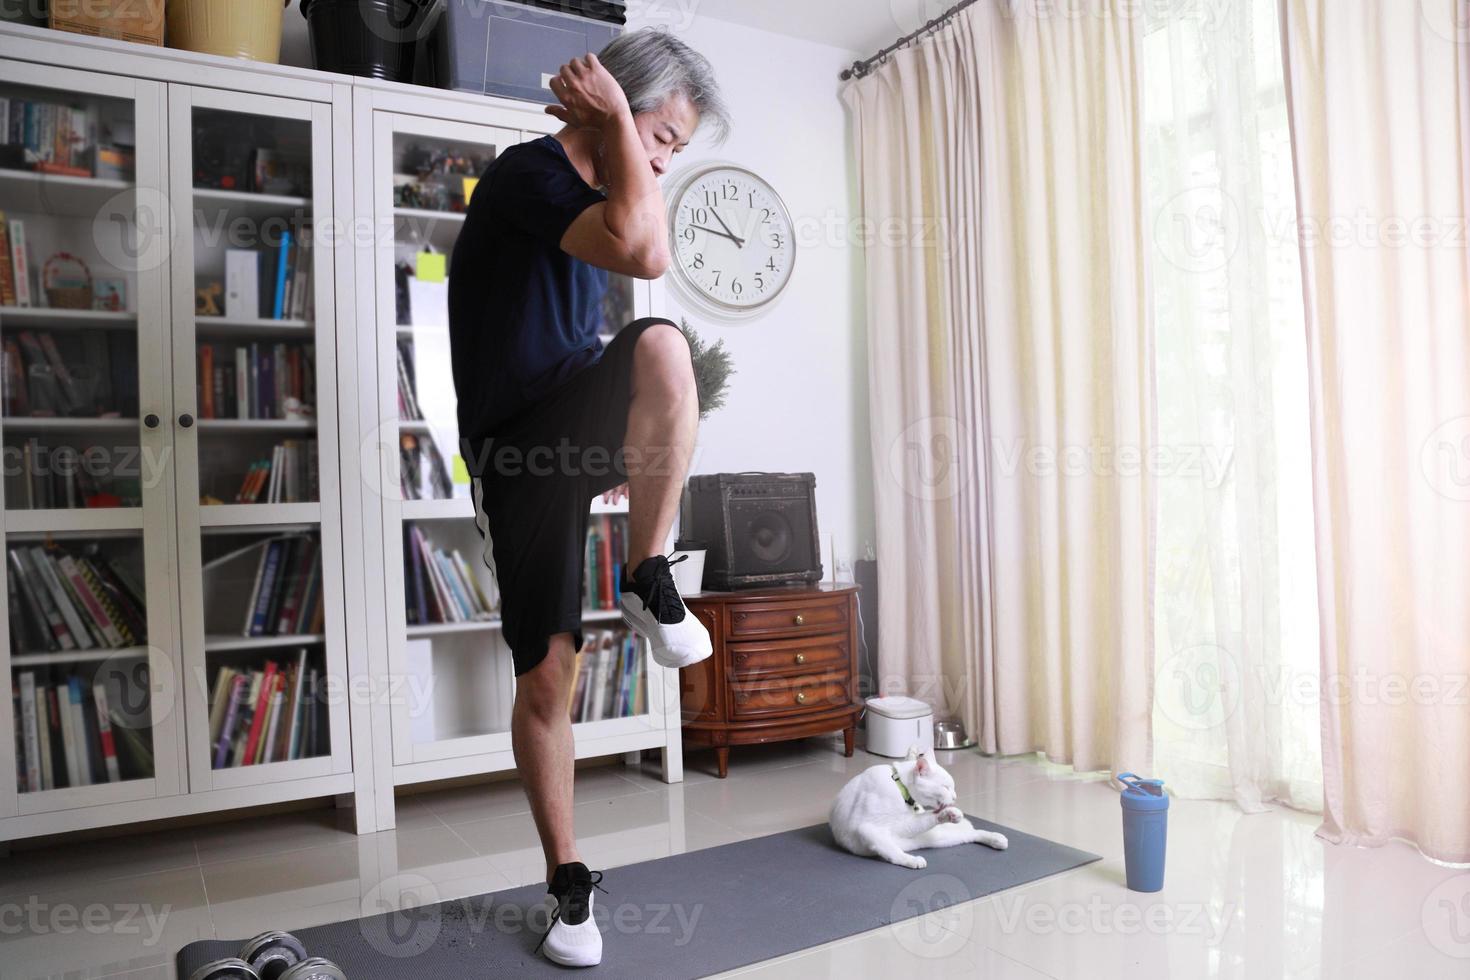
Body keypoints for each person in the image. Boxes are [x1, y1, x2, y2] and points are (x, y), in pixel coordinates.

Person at [446, 28, 731, 969]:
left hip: (568, 424)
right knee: (548, 676)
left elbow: (634, 290)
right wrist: (610, 119)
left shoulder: (606, 198)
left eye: (674, 151)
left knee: (665, 351)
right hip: (514, 452)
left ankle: (648, 576)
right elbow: (647, 251)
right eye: (663, 134)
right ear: (614, 97)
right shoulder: (529, 175)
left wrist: (627, 446)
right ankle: (567, 880)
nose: (660, 159)